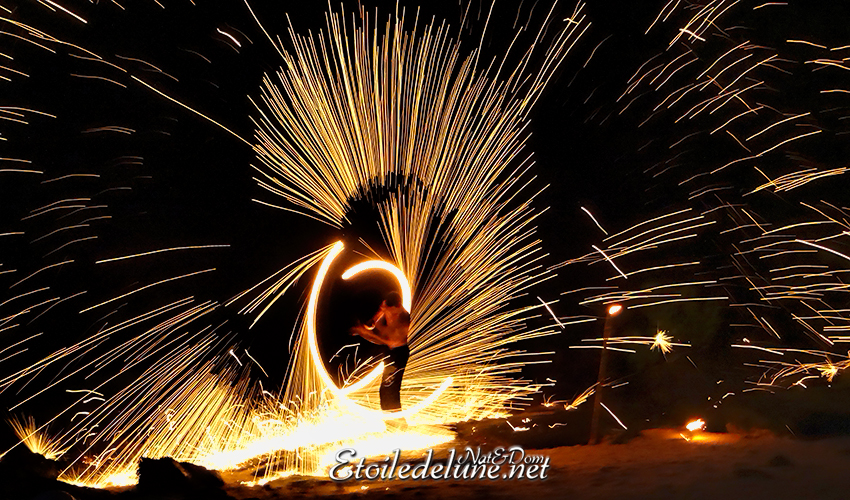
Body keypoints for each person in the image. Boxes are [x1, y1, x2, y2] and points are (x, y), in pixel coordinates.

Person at [349, 291, 410, 418]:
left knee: (389, 390)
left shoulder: (402, 317)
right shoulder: (390, 310)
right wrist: (367, 327)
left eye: (387, 309)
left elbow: (386, 340)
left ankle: (397, 425)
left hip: (397, 355)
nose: (384, 312)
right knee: (386, 390)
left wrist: (362, 332)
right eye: (384, 308)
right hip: (391, 353)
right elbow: (376, 327)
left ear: (398, 305)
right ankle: (393, 424)